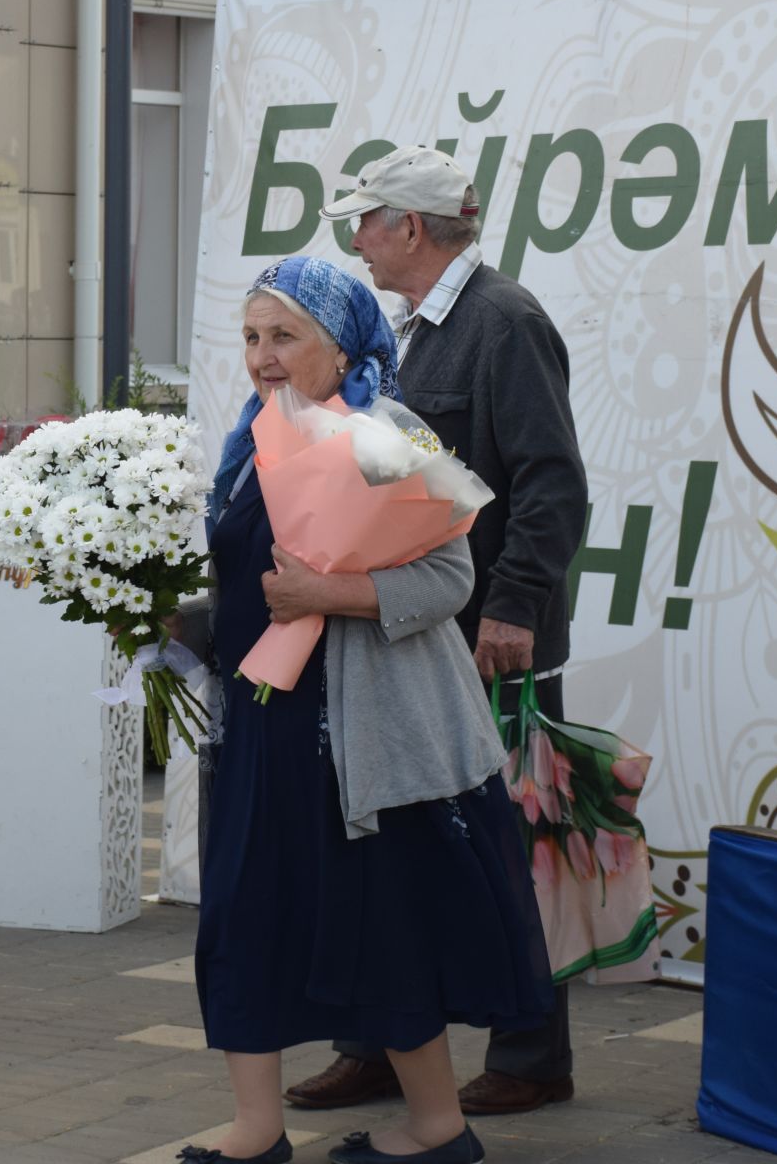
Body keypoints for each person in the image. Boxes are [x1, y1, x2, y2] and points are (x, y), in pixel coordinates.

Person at [184, 255, 554, 1164]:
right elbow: (239, 580)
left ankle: (436, 1129)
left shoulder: (393, 431)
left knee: (380, 921)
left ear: (341, 342)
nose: (264, 357)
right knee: (244, 910)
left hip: (357, 737)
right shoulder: (247, 436)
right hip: (258, 724)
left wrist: (329, 592)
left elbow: (451, 574)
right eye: (251, 338)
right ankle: (255, 1129)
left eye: (285, 337)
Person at [290, 146, 590, 1121]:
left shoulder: (504, 321)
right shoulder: (403, 328)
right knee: (390, 842)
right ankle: (381, 1040)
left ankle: (533, 1053)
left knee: (511, 850)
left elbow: (550, 480)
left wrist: (515, 604)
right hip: (407, 640)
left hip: (487, 637)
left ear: (410, 227)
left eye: (363, 221)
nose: (354, 240)